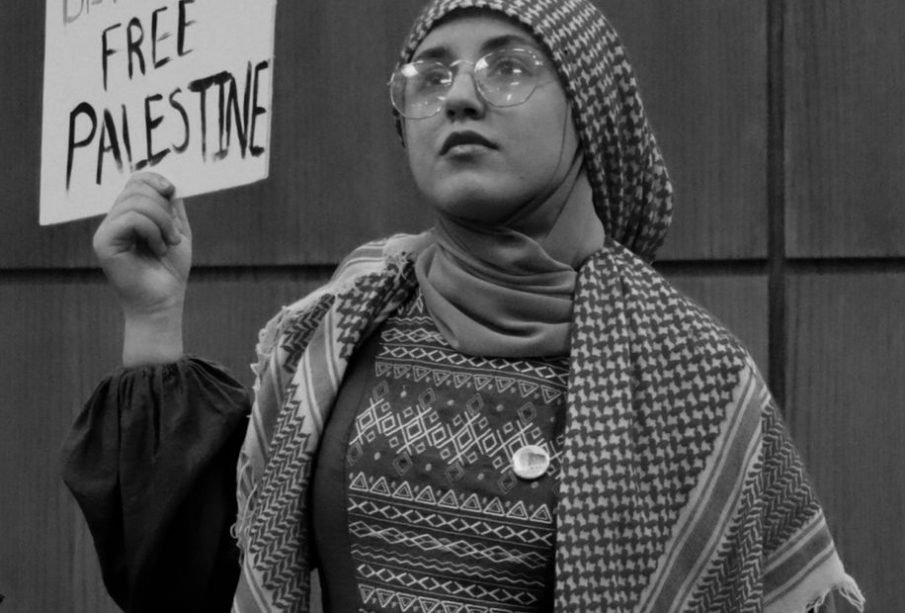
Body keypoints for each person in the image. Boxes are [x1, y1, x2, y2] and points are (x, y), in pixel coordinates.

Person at [62, 1, 865, 612]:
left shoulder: (692, 373)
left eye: (508, 69)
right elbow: (212, 576)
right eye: (431, 76)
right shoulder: (345, 318)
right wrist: (153, 321)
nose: (458, 99)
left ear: (590, 112)